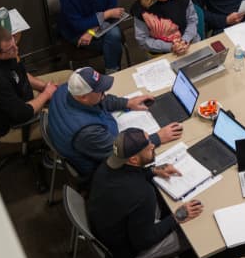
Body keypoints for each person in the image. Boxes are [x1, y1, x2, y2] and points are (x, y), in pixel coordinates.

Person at [87, 128, 202, 258]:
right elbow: (143, 241)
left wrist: (153, 171)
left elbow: (128, 174)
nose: (153, 146)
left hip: (104, 230)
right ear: (134, 160)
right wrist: (177, 217)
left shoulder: (107, 165)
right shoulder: (142, 193)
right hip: (121, 251)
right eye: (148, 147)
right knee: (191, 234)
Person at [46, 67, 182, 178]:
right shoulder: (86, 132)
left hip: (99, 138)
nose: (104, 93)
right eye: (100, 90)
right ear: (84, 97)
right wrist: (157, 138)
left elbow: (101, 99)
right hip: (100, 168)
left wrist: (128, 103)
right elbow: (120, 153)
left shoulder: (67, 89)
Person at [0, 26, 57, 141]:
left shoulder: (0, 52)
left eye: (14, 42)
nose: (16, 49)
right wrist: (46, 94)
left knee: (70, 76)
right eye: (11, 49)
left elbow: (20, 74)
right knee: (68, 115)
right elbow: (22, 113)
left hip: (20, 94)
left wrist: (44, 87)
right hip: (13, 120)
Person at [58, 0, 127, 72]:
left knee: (114, 35)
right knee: (113, 40)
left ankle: (111, 72)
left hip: (98, 28)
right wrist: (105, 14)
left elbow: (114, 10)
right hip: (77, 33)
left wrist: (92, 31)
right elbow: (77, 24)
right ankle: (113, 72)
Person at [132, 0, 199, 57]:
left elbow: (192, 20)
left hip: (189, 42)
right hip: (161, 52)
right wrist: (170, 47)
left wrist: (184, 40)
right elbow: (142, 39)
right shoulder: (141, 8)